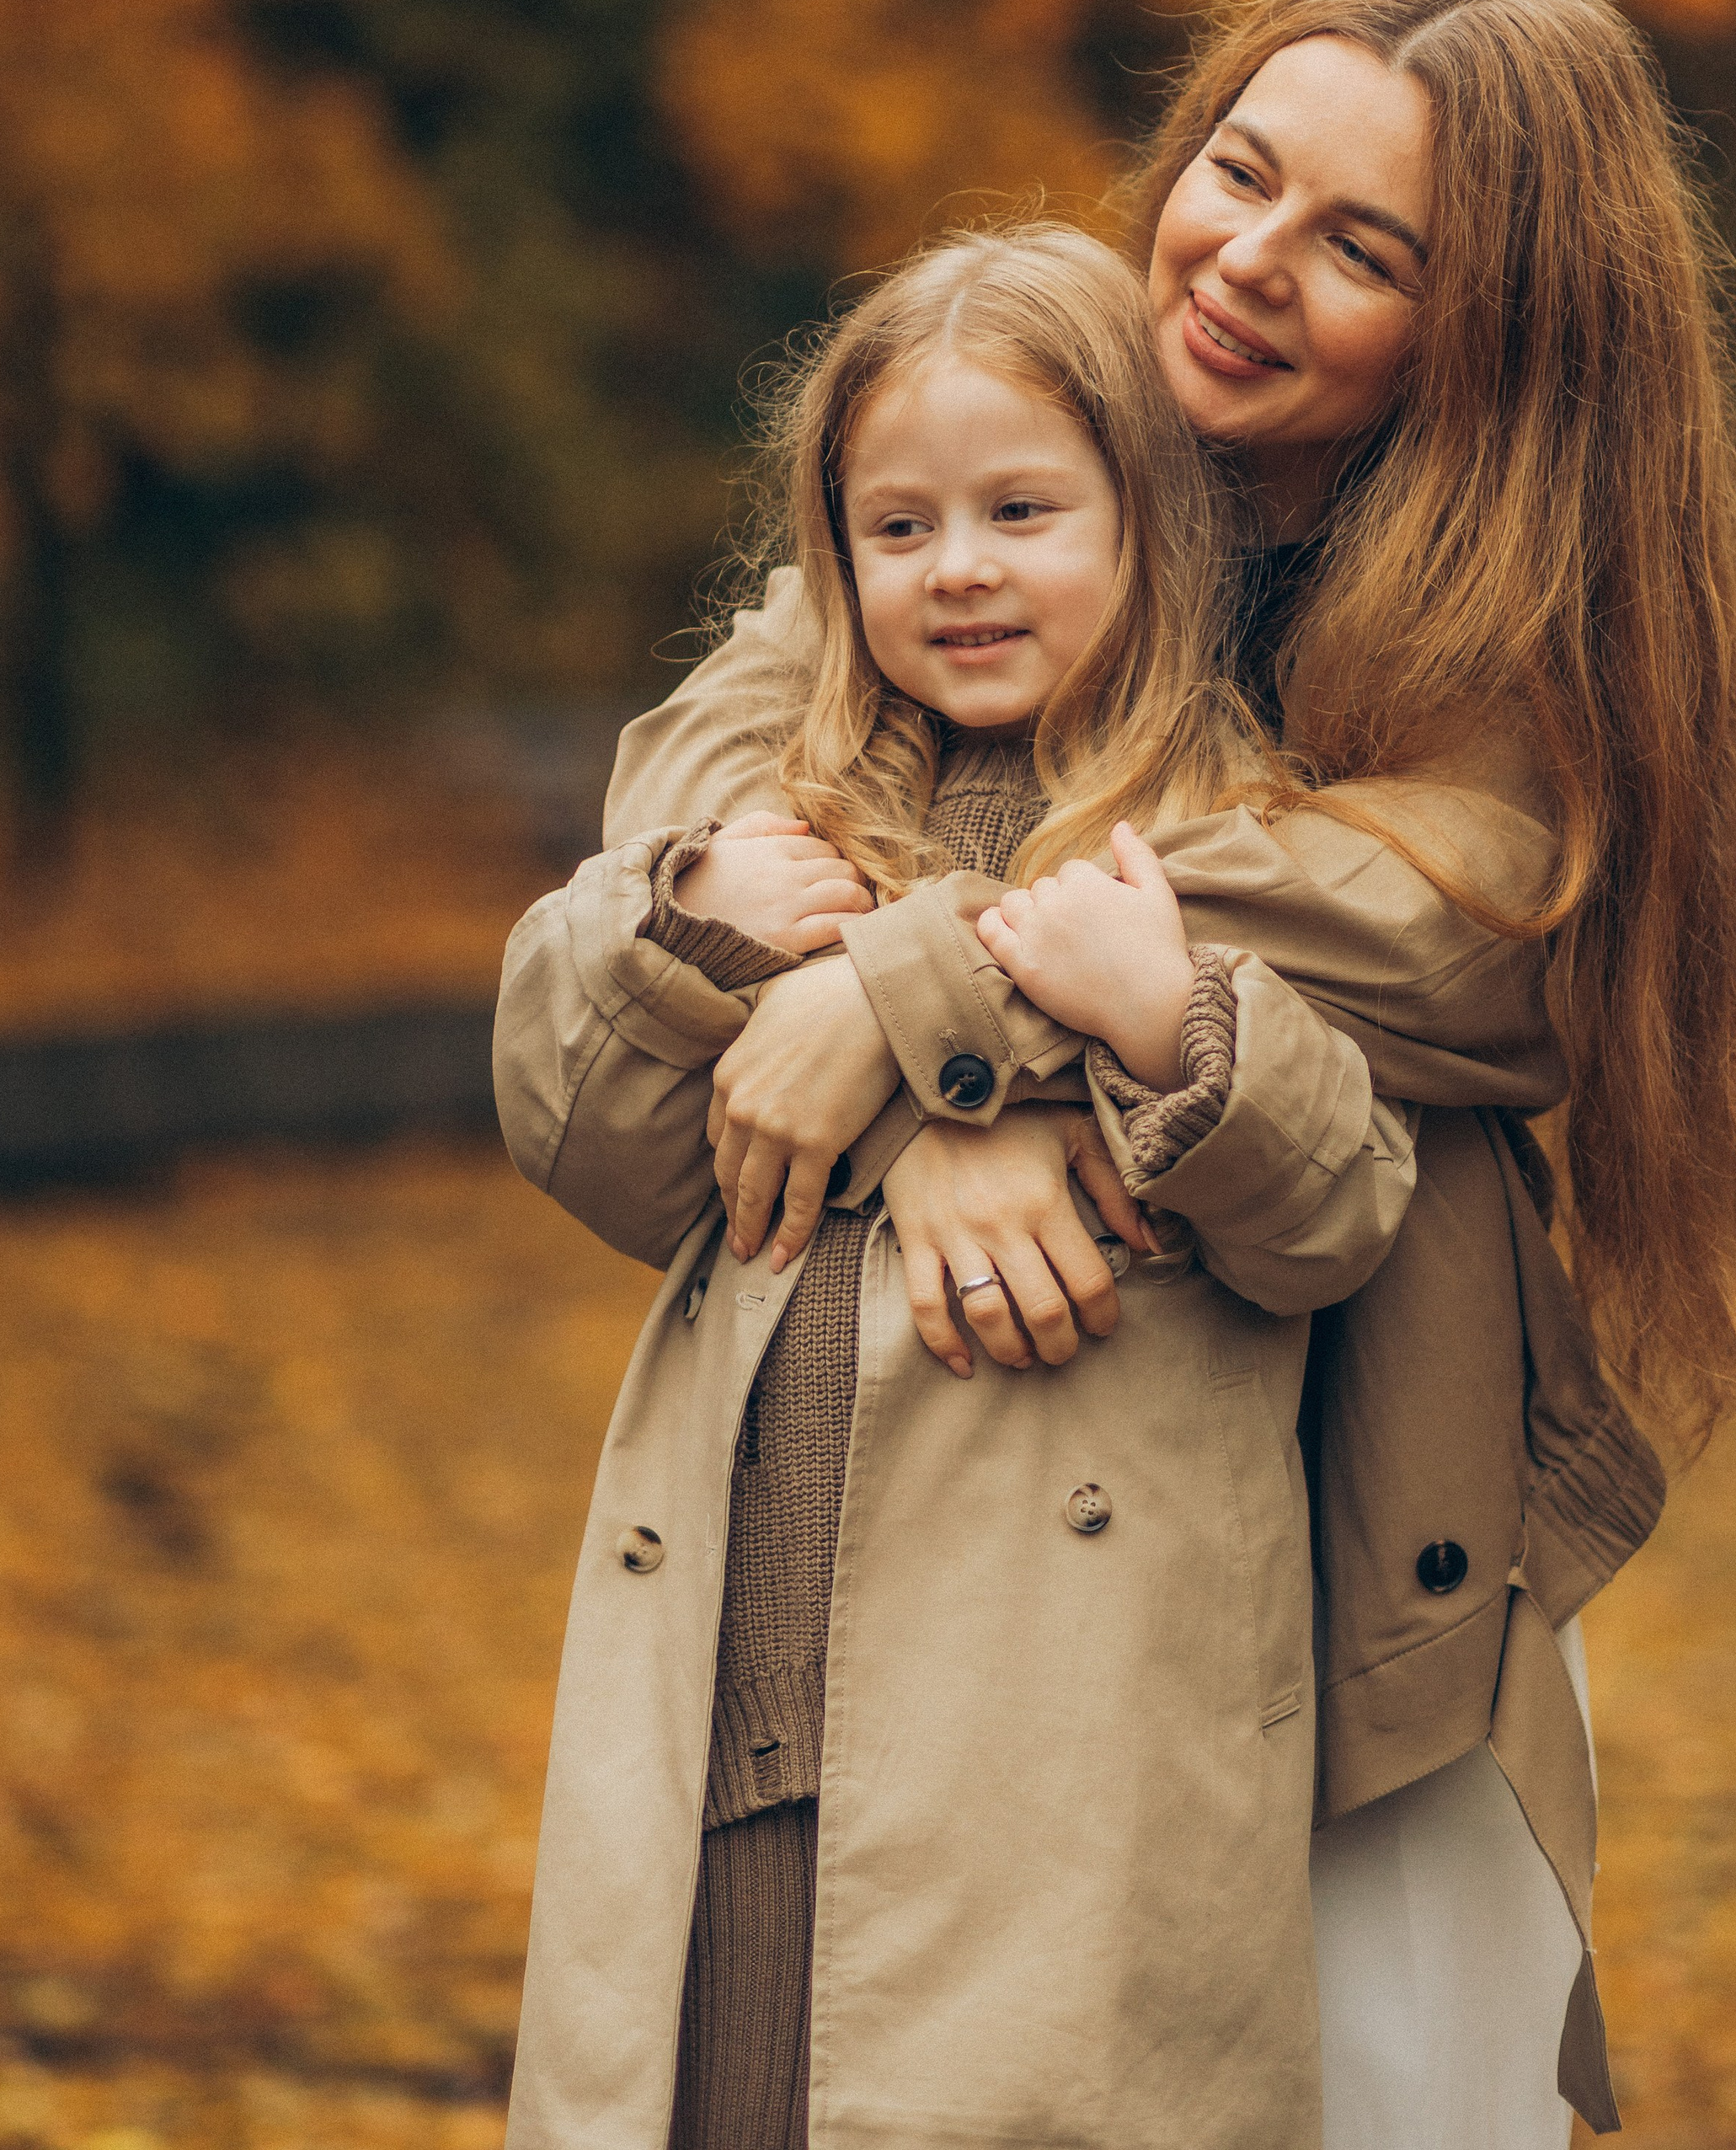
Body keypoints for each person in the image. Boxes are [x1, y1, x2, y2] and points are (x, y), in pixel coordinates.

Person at [606, 0, 1736, 2150]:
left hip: (1343, 1529)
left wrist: (913, 1000)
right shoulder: (1037, 445)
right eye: (1241, 170)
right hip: (1005, 1549)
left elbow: (1440, 926)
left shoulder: (1517, 636)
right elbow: (729, 743)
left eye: (1363, 246)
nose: (1249, 260)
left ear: (1494, 330)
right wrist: (921, 1076)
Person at [495, 223, 1440, 2150]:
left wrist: (1177, 1026)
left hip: (1068, 1742)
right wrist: (681, 935)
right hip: (753, 1694)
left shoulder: (1230, 832)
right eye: (897, 526)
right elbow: (598, 1145)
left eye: (1023, 506)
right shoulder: (787, 811)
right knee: (738, 2079)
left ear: (1150, 523)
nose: (963, 569)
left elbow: (1337, 1207)